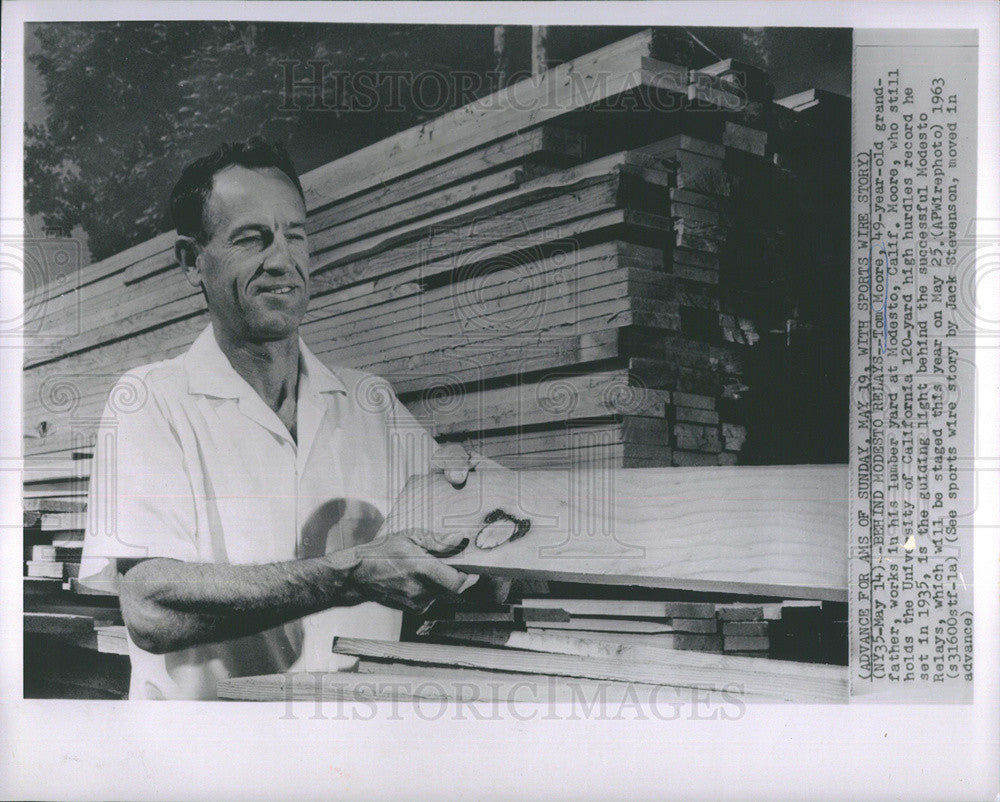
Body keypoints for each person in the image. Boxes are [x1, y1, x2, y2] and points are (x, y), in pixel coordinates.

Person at [79, 138, 479, 700]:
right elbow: (151, 609)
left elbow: (467, 535)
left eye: (296, 235)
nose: (281, 259)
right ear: (192, 261)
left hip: (353, 759)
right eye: (251, 238)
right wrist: (350, 575)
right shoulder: (151, 400)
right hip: (211, 767)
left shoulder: (371, 403)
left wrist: (480, 501)